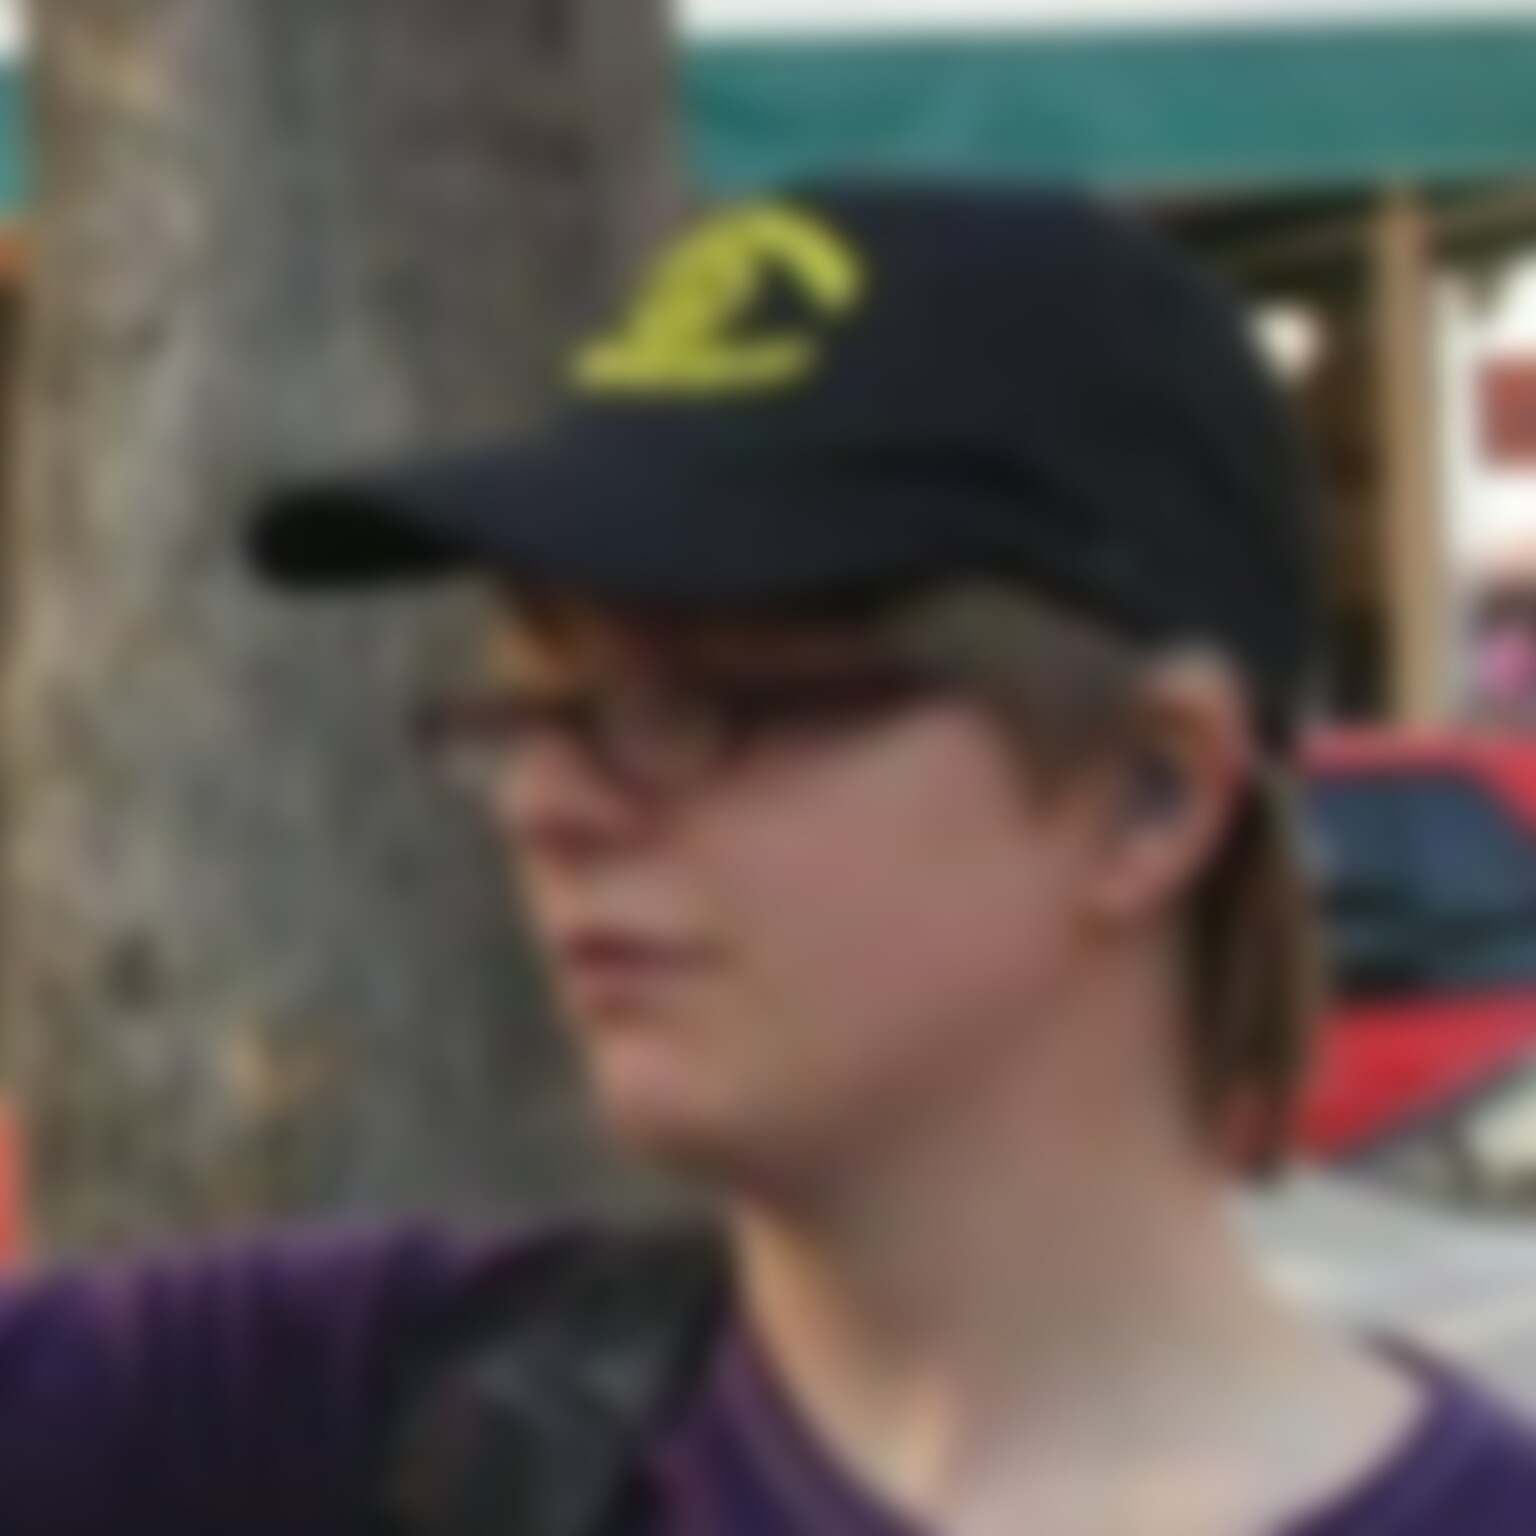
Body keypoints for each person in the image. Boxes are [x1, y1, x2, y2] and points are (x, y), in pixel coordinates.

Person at [3, 182, 1535, 1536]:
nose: (548, 803)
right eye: (535, 704)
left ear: (1150, 796)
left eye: (700, 704)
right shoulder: (344, 1422)